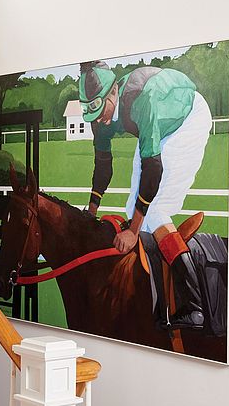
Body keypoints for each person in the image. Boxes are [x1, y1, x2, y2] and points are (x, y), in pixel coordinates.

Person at [79, 60, 213, 331]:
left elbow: (153, 169)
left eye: (101, 111)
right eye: (92, 116)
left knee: (155, 211)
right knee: (133, 209)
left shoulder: (142, 101)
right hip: (156, 126)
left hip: (187, 118)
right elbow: (103, 165)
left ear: (114, 92)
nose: (99, 121)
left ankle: (194, 303)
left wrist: (132, 231)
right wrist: (90, 213)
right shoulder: (100, 115)